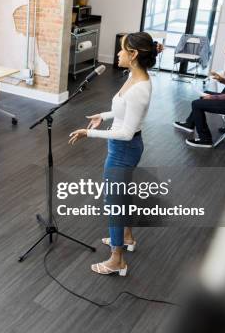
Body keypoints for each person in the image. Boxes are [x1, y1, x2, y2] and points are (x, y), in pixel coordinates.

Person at [68, 32, 157, 277]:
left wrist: (89, 134)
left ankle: (117, 260)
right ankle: (126, 236)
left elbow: (127, 133)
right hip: (122, 149)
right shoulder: (133, 76)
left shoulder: (140, 89)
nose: (117, 53)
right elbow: (122, 109)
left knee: (114, 204)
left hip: (124, 150)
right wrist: (103, 116)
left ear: (134, 54)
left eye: (121, 49)